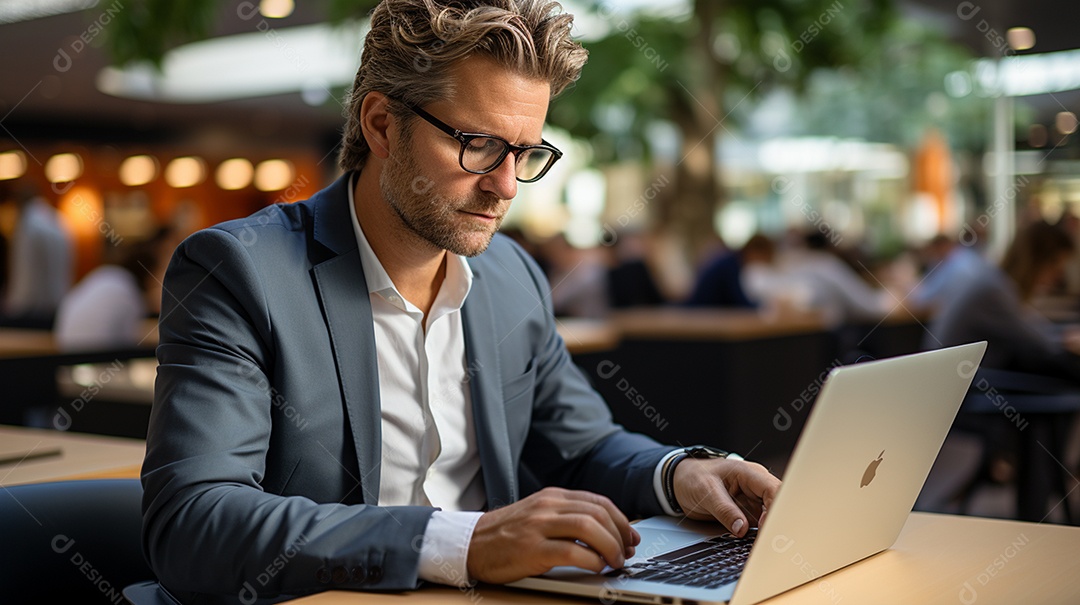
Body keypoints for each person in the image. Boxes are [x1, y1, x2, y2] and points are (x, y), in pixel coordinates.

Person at [141, 2, 781, 603]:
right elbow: (193, 522)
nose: (506, 186)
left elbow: (583, 448)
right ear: (382, 125)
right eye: (479, 145)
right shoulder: (239, 271)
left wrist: (679, 475)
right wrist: (465, 541)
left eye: (525, 153)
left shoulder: (511, 275)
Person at [3, 183, 73, 326]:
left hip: (31, 309)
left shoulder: (28, 224)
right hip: (58, 304)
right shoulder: (58, 218)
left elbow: (25, 271)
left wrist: (13, 305)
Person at [685, 234, 774, 308]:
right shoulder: (729, 265)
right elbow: (738, 300)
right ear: (754, 252)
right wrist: (762, 306)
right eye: (763, 259)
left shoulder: (731, 261)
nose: (760, 264)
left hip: (705, 310)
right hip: (699, 311)